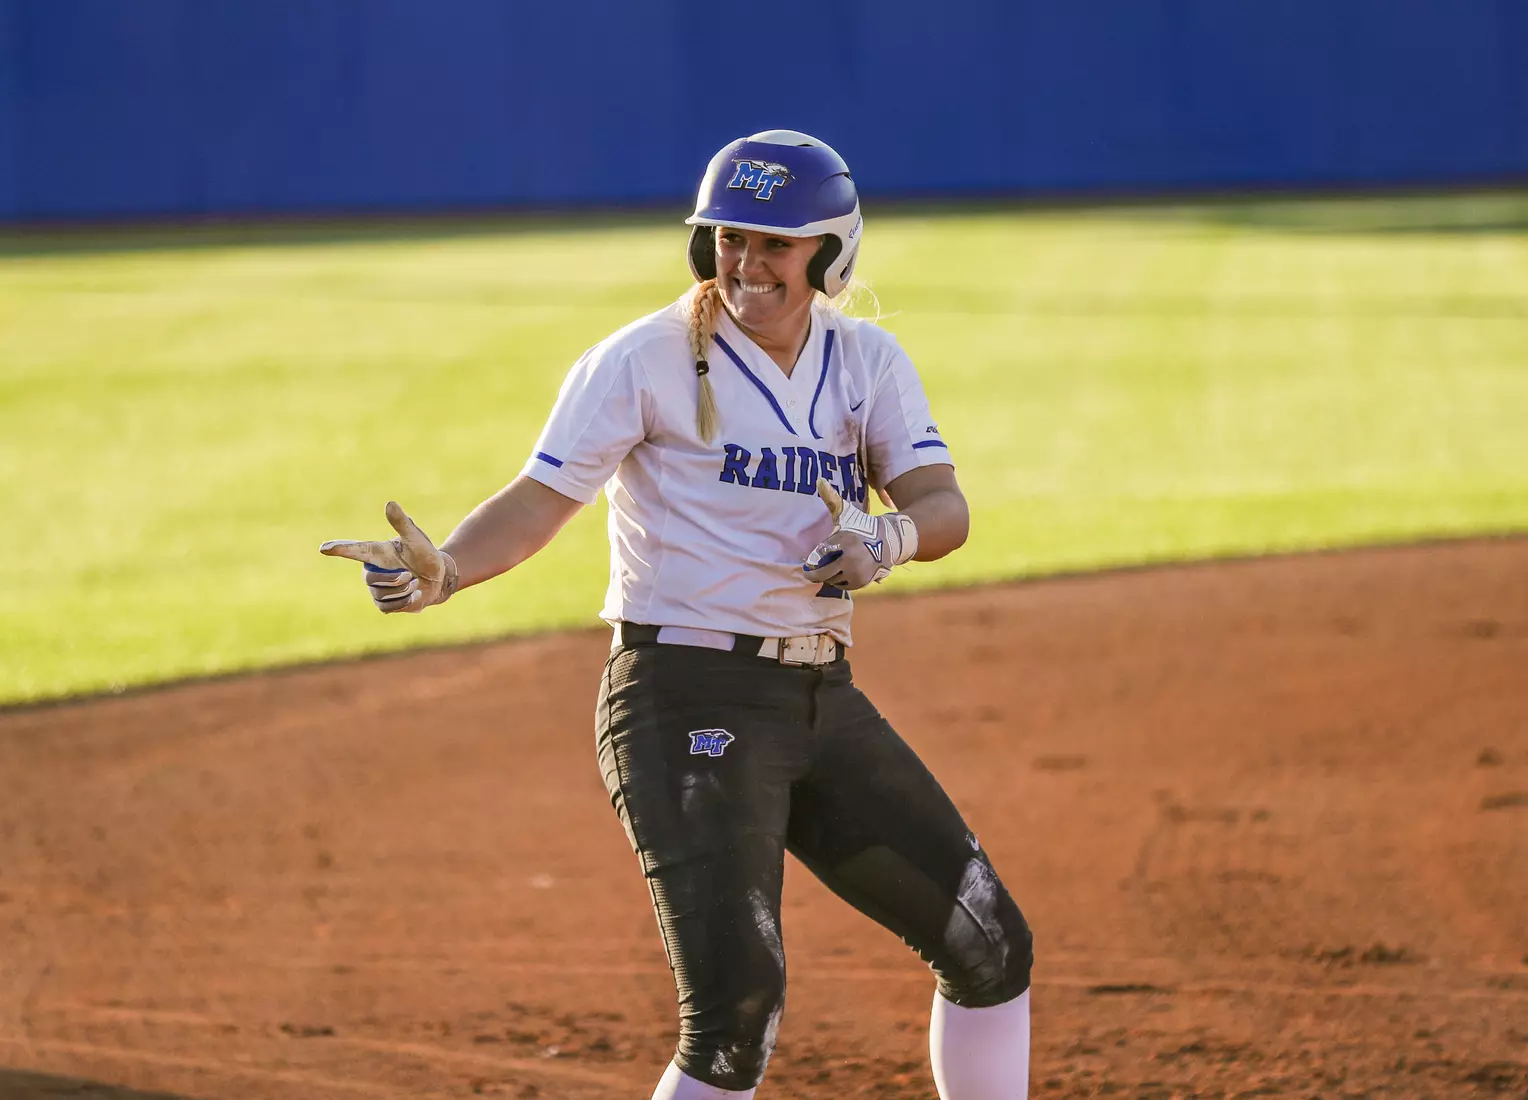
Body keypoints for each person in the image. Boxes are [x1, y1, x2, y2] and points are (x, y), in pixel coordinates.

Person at [320, 129, 1034, 1100]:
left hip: (816, 695)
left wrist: (887, 539)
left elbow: (943, 505)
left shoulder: (864, 361)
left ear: (828, 252)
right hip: (680, 694)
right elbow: (539, 498)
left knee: (989, 941)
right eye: (730, 239)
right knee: (736, 1004)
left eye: (774, 245)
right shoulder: (648, 357)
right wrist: (447, 566)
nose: (747, 263)